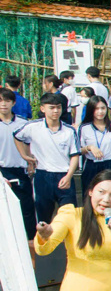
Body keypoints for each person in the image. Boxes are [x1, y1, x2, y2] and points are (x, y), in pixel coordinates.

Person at [13, 93, 80, 223]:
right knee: (43, 217)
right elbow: (17, 136)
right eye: (52, 107)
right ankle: (45, 243)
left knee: (70, 217)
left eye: (58, 107)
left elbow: (75, 156)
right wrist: (25, 156)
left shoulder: (69, 131)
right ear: (43, 109)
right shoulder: (33, 127)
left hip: (64, 175)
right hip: (43, 176)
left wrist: (68, 176)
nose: (56, 111)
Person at [0, 89, 36, 238]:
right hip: (2, 170)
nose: (3, 104)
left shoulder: (23, 123)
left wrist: (30, 164)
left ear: (13, 103)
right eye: (1, 101)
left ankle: (30, 241)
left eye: (7, 101)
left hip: (21, 170)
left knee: (26, 208)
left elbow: (29, 145)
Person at [78, 95, 111, 193]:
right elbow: (77, 150)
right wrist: (89, 148)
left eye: (103, 108)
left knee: (110, 194)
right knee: (89, 195)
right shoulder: (84, 128)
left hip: (109, 165)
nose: (100, 112)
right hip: (91, 166)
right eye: (96, 109)